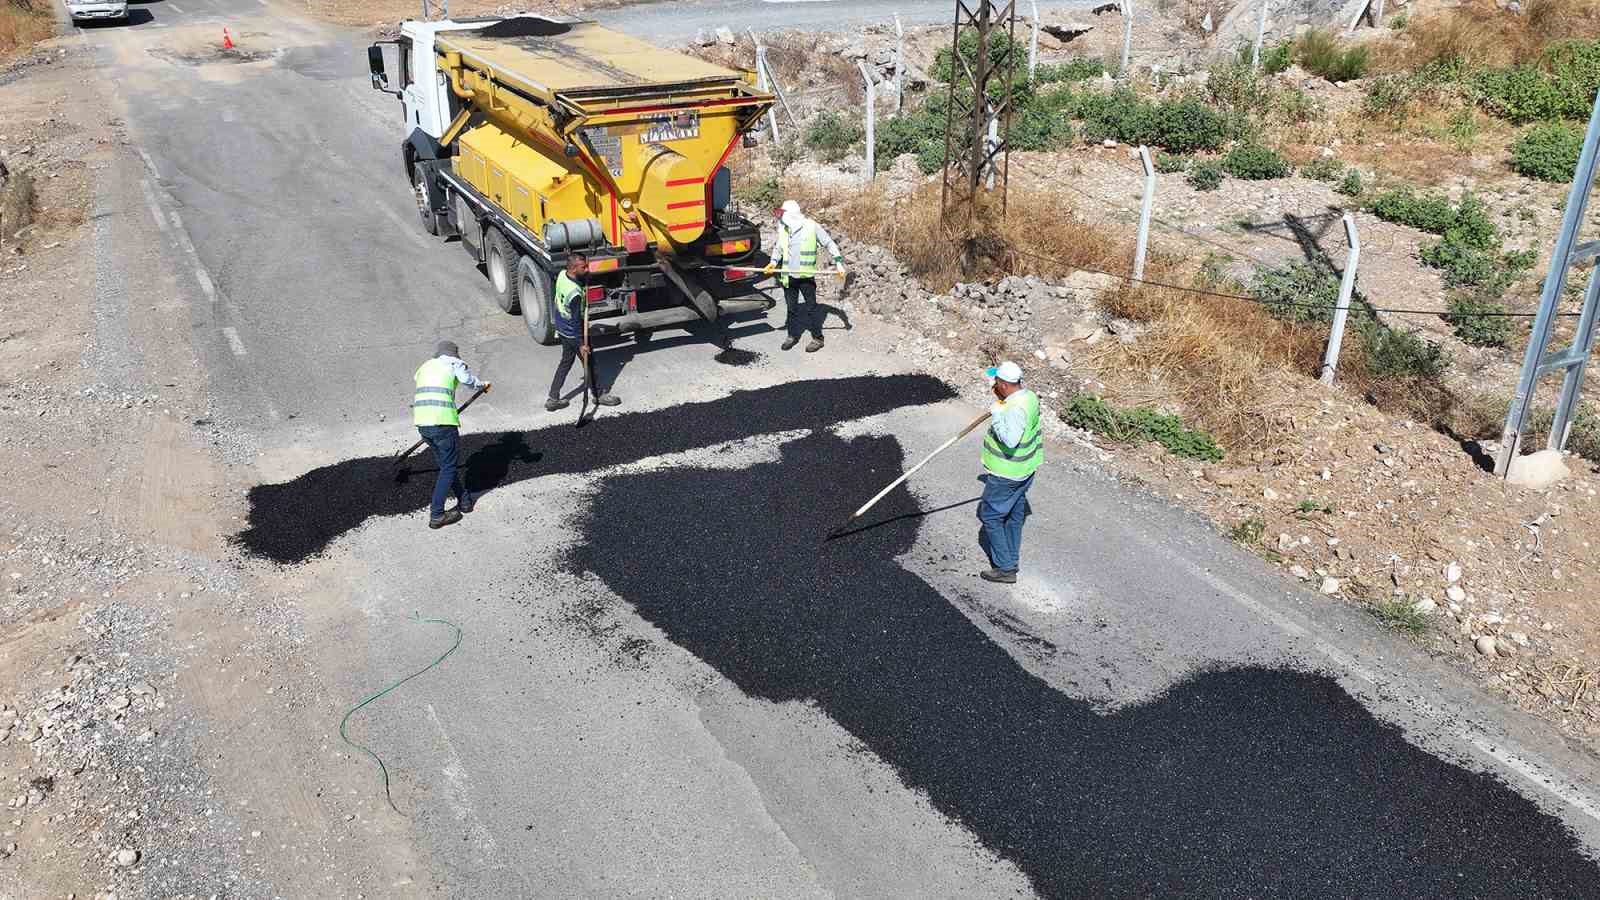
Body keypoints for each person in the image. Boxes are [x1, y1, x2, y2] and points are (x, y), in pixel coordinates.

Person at [976, 361, 1043, 583]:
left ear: (1004, 385)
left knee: (991, 516)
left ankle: (1005, 568)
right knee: (1014, 515)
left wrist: (997, 415)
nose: (994, 385)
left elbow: (1010, 440)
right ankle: (1011, 559)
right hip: (1026, 470)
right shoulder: (1029, 397)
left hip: (1007, 474)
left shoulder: (1013, 409)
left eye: (996, 382)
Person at [412, 340, 490, 529]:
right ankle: (437, 514)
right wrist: (483, 384)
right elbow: (467, 380)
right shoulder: (453, 363)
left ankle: (464, 501)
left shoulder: (425, 366)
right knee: (448, 468)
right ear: (454, 354)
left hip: (422, 422)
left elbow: (419, 380)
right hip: (443, 422)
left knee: (446, 465)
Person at [764, 199, 845, 353]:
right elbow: (778, 248)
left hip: (806, 277)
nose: (781, 217)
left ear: (791, 214)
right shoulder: (785, 229)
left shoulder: (811, 226)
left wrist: (839, 262)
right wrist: (773, 263)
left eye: (783, 213)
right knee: (791, 308)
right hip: (788, 276)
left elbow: (829, 243)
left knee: (811, 308)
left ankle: (817, 338)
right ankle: (792, 336)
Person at [546, 253, 620, 411]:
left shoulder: (562, 276)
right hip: (573, 332)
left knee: (565, 362)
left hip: (562, 327)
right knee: (590, 363)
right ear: (573, 268)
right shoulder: (575, 294)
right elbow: (575, 321)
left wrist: (584, 279)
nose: (587, 269)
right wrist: (581, 344)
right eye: (583, 267)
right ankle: (598, 395)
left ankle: (553, 398)